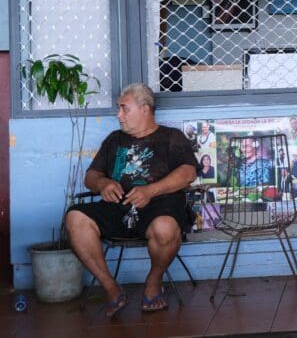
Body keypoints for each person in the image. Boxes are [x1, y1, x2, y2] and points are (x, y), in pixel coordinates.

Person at [64, 84, 198, 317]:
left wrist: (151, 191)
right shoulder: (115, 140)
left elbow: (188, 173)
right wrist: (102, 184)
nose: (119, 115)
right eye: (118, 109)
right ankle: (111, 288)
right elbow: (91, 176)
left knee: (165, 227)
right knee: (75, 217)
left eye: (124, 109)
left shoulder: (171, 137)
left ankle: (153, 282)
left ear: (144, 109)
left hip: (160, 206)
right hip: (119, 207)